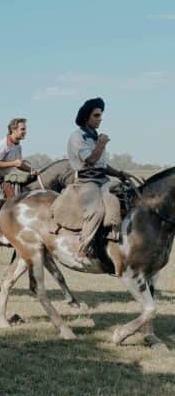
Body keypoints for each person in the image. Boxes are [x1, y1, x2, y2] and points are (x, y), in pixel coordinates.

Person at [66, 97, 126, 273]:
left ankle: (115, 241)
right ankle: (82, 249)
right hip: (86, 181)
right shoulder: (77, 137)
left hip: (102, 179)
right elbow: (91, 160)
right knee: (97, 210)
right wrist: (100, 144)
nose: (100, 118)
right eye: (96, 115)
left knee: (124, 197)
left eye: (101, 115)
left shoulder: (94, 136)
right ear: (87, 117)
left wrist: (120, 174)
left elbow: (102, 166)